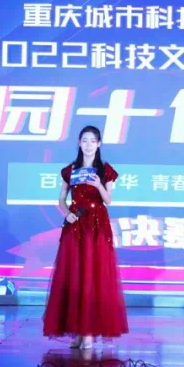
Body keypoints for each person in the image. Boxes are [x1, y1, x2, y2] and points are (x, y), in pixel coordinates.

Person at [43, 125, 128, 349]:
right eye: (84, 140)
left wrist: (98, 185)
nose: (88, 145)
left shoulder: (105, 170)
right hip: (76, 225)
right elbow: (61, 199)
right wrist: (67, 213)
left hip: (97, 225)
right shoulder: (70, 170)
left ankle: (89, 332)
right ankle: (79, 332)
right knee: (75, 275)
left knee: (94, 276)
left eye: (92, 141)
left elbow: (108, 200)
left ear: (99, 144)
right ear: (79, 143)